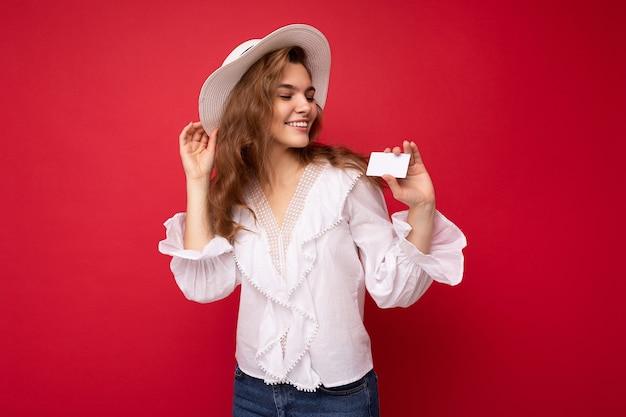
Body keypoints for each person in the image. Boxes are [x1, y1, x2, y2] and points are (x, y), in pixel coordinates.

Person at [159, 24, 467, 417]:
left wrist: (422, 208)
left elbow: (393, 290)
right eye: (285, 95)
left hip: (340, 399)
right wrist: (199, 179)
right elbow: (206, 285)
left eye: (308, 95)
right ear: (249, 105)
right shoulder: (235, 193)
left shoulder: (347, 178)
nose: (305, 106)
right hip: (253, 393)